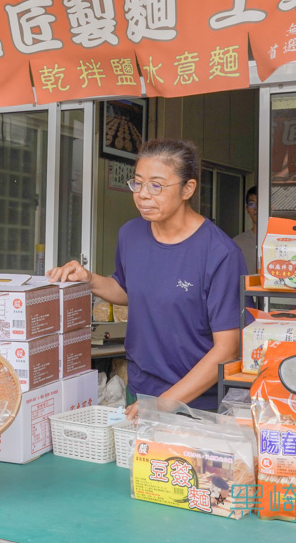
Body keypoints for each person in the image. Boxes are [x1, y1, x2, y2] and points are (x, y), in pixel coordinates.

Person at [47, 139, 244, 417]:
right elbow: (128, 291)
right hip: (140, 390)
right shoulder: (131, 234)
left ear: (188, 189)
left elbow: (227, 349)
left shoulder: (220, 253)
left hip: (196, 402)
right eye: (137, 183)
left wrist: (165, 402)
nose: (142, 195)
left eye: (156, 185)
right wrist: (89, 279)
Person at [233, 186, 258, 275]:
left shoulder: (280, 240)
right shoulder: (237, 243)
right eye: (252, 204)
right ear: (247, 209)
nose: (256, 208)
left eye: (260, 203)